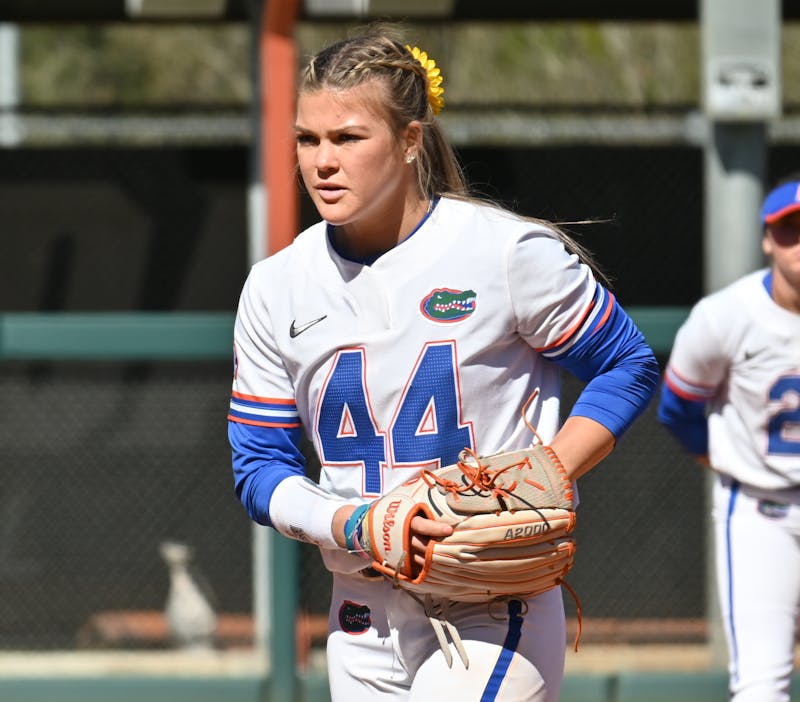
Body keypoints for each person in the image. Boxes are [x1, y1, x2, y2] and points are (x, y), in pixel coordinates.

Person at [228, 23, 659, 702]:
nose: (321, 161)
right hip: (360, 616)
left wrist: (547, 470)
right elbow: (258, 469)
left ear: (409, 140)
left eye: (347, 137)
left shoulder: (503, 253)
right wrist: (354, 523)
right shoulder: (275, 284)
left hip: (488, 600)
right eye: (308, 139)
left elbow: (627, 362)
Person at [658, 175, 800, 702]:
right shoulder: (727, 316)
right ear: (767, 239)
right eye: (790, 230)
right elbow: (678, 409)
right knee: (762, 684)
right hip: (761, 511)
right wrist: (721, 460)